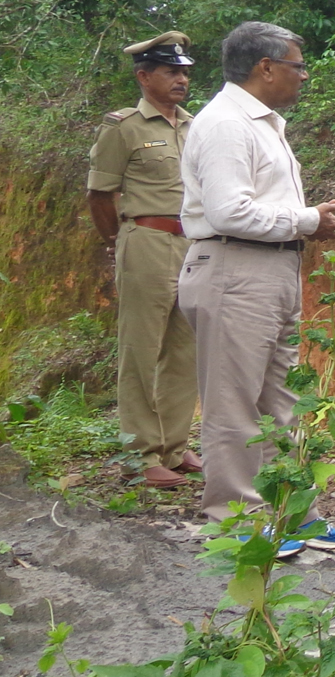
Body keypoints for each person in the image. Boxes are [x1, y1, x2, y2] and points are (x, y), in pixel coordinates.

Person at [178, 22, 335, 552]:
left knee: (283, 398)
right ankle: (239, 523)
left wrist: (302, 226)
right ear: (265, 68)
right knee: (233, 402)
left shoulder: (262, 123)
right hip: (234, 270)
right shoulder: (227, 124)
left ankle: (293, 513)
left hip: (267, 270)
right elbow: (230, 211)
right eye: (298, 65)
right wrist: (305, 220)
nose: (303, 75)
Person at [87, 33, 201, 491]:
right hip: (146, 240)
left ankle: (174, 448)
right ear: (143, 76)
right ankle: (139, 455)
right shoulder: (124, 126)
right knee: (140, 349)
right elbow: (100, 194)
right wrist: (119, 242)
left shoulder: (195, 126)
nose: (181, 78)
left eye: (185, 71)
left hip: (192, 242)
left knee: (185, 349)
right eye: (171, 71)